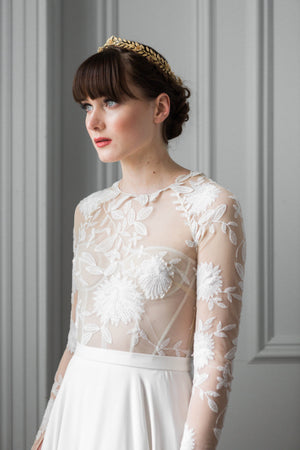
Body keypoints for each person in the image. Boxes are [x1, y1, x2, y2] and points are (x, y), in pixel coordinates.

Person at [31, 36, 246, 450]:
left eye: (110, 102)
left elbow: (215, 357)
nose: (93, 122)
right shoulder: (89, 210)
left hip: (149, 412)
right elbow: (76, 341)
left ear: (160, 108)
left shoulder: (211, 206)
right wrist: (44, 434)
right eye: (86, 106)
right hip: (75, 413)